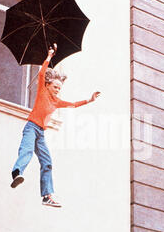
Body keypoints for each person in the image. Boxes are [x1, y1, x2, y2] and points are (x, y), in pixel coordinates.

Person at [10, 44, 100, 208]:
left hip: (41, 133)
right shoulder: (42, 91)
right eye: (55, 87)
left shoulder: (56, 101)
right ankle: (17, 172)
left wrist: (90, 100)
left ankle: (47, 195)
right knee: (27, 150)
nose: (58, 90)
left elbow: (73, 104)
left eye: (59, 88)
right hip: (31, 127)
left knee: (47, 162)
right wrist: (49, 56)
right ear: (48, 85)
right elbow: (43, 72)